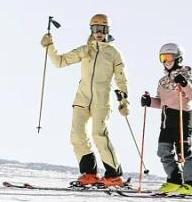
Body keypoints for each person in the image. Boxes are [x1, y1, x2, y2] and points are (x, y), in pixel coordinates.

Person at [42, 13, 130, 187]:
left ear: (107, 31)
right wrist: (49, 46)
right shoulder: (85, 50)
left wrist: (124, 101)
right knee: (77, 135)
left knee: (99, 135)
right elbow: (60, 62)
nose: (99, 32)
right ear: (91, 30)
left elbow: (121, 79)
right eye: (96, 29)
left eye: (102, 29)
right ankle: (90, 173)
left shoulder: (113, 53)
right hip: (82, 99)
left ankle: (114, 175)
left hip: (101, 100)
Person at [141, 42, 192, 194]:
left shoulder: (186, 75)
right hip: (166, 120)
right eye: (163, 58)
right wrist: (149, 102)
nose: (166, 61)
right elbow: (160, 101)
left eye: (169, 57)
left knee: (183, 151)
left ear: (178, 59)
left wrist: (184, 82)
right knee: (163, 150)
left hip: (183, 117)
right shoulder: (162, 81)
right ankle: (175, 180)